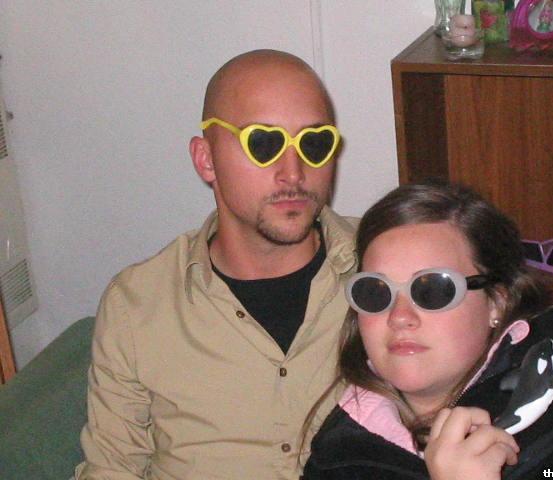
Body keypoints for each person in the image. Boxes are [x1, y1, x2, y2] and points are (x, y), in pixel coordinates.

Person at [75, 50, 358, 480]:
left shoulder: (386, 269)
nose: (294, 172)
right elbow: (112, 468)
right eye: (264, 144)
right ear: (206, 159)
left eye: (314, 144)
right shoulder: (137, 305)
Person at [303, 179, 553, 479]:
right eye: (375, 292)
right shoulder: (338, 459)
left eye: (433, 289)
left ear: (496, 302)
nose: (399, 317)